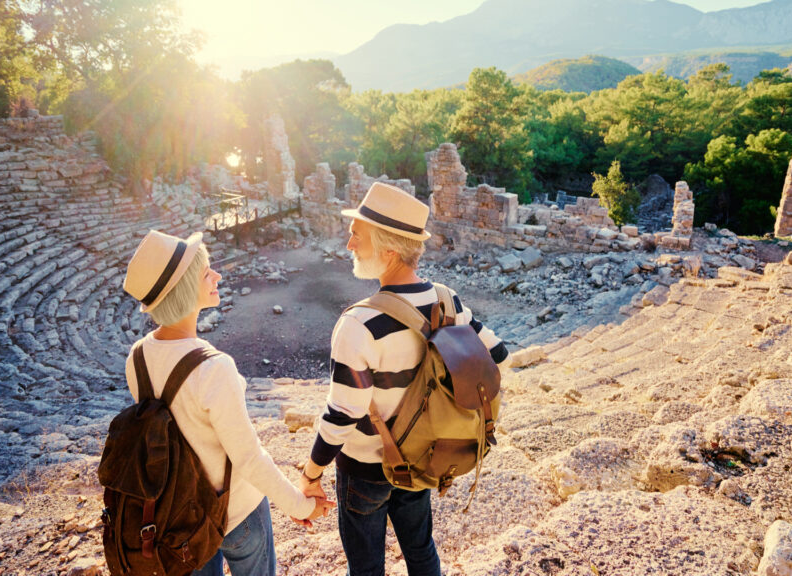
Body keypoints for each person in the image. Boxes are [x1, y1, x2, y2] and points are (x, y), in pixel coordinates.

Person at [298, 183, 511, 576]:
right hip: (422, 457)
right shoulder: (448, 299)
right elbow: (497, 354)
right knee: (420, 549)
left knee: (366, 568)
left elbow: (344, 414)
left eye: (356, 236)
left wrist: (311, 473)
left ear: (389, 250)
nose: (348, 244)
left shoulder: (358, 322)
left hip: (365, 470)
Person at [122, 230, 334, 576]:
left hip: (179, 516)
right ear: (187, 289)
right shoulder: (214, 367)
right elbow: (248, 458)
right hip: (236, 515)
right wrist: (299, 504)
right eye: (207, 272)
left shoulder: (138, 358)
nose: (217, 276)